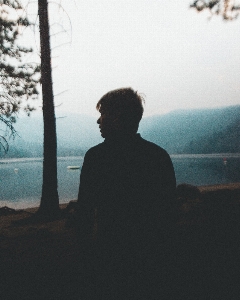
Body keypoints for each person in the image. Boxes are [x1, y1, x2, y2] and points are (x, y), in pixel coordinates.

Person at [76, 87, 177, 299]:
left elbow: (84, 214)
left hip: (109, 256)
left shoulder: (96, 158)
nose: (98, 121)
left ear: (117, 117)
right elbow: (169, 215)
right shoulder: (158, 157)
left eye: (102, 114)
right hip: (152, 259)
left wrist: (84, 259)